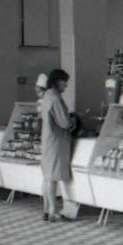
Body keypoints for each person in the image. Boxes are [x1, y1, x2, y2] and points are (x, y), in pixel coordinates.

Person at [40, 68, 76, 222]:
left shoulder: (47, 96)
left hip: (48, 140)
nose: (66, 85)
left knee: (48, 177)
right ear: (57, 81)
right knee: (52, 177)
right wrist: (73, 121)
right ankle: (54, 211)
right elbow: (64, 122)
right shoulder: (55, 97)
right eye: (64, 82)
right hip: (56, 141)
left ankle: (47, 210)